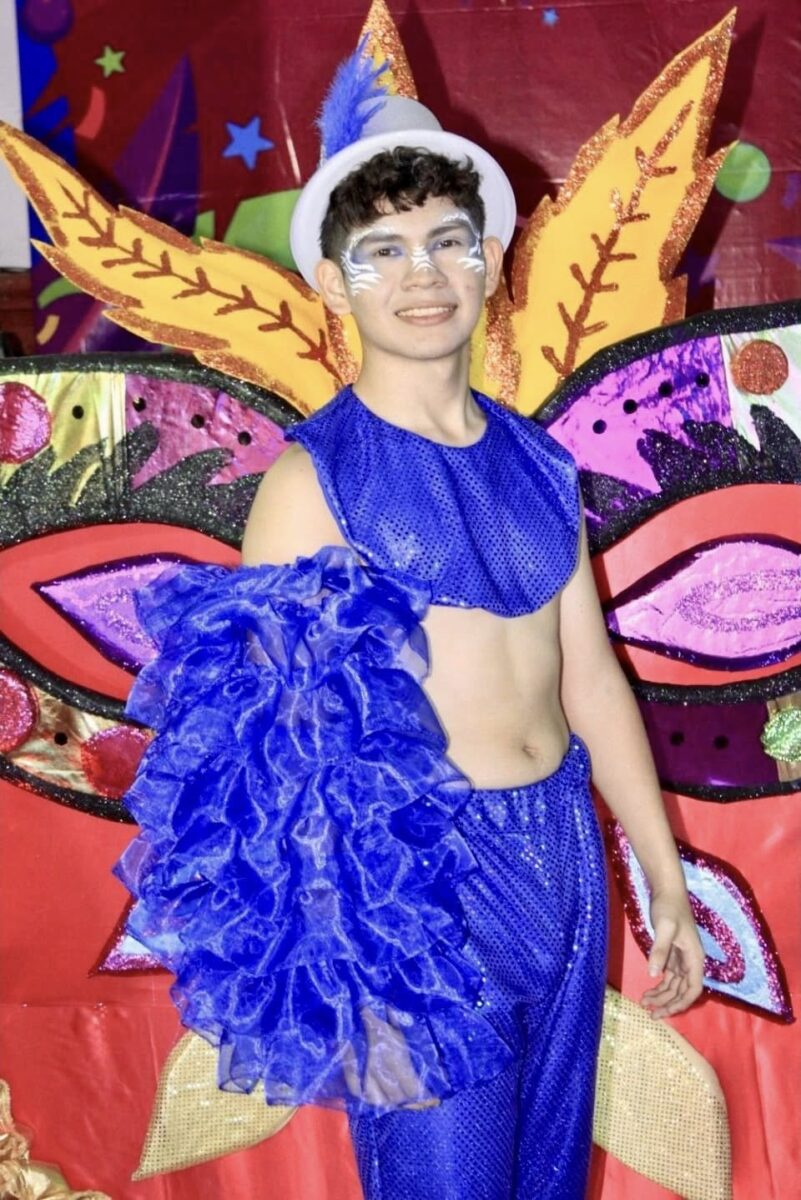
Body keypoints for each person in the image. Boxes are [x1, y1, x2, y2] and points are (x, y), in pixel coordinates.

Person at [115, 90, 705, 1200]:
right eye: (381, 251)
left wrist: (660, 875)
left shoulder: (540, 463)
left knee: (545, 1184)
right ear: (331, 282)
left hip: (563, 859)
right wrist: (360, 952)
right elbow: (279, 763)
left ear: (490, 261)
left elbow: (590, 679)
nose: (421, 274)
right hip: (421, 891)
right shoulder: (314, 482)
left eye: (446, 242)